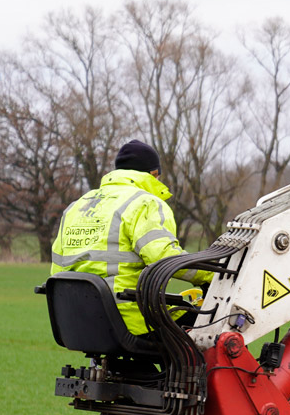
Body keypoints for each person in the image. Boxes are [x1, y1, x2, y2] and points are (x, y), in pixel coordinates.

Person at [50, 141, 207, 334]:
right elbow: (165, 259)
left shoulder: (77, 206)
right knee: (210, 320)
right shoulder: (144, 203)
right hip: (131, 320)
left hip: (77, 319)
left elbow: (57, 269)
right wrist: (212, 274)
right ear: (154, 174)